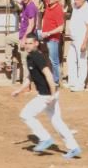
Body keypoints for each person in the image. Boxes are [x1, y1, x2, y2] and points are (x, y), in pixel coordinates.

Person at [12, 32, 81, 160]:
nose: (27, 46)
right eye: (26, 43)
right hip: (49, 94)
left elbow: (48, 75)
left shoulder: (37, 57)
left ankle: (45, 138)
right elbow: (30, 76)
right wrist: (19, 90)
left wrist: (52, 95)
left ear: (36, 44)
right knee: (57, 121)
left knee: (25, 115)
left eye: (30, 43)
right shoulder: (30, 57)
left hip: (46, 95)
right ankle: (73, 147)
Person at [61, 0, 88, 92]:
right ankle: (72, 82)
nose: (74, 2)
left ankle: (80, 84)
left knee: (82, 61)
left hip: (82, 39)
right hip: (74, 39)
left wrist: (85, 43)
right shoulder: (76, 4)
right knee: (71, 60)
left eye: (76, 0)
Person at [32, 0, 65, 85]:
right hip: (43, 34)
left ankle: (56, 81)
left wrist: (49, 33)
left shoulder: (58, 10)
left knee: (53, 60)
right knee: (31, 45)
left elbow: (61, 28)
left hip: (53, 38)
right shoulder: (48, 3)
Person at [1, 0, 38, 80]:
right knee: (8, 39)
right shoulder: (24, 3)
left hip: (27, 38)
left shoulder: (31, 7)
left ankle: (27, 84)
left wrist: (24, 39)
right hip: (20, 34)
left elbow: (31, 25)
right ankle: (8, 64)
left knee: (24, 61)